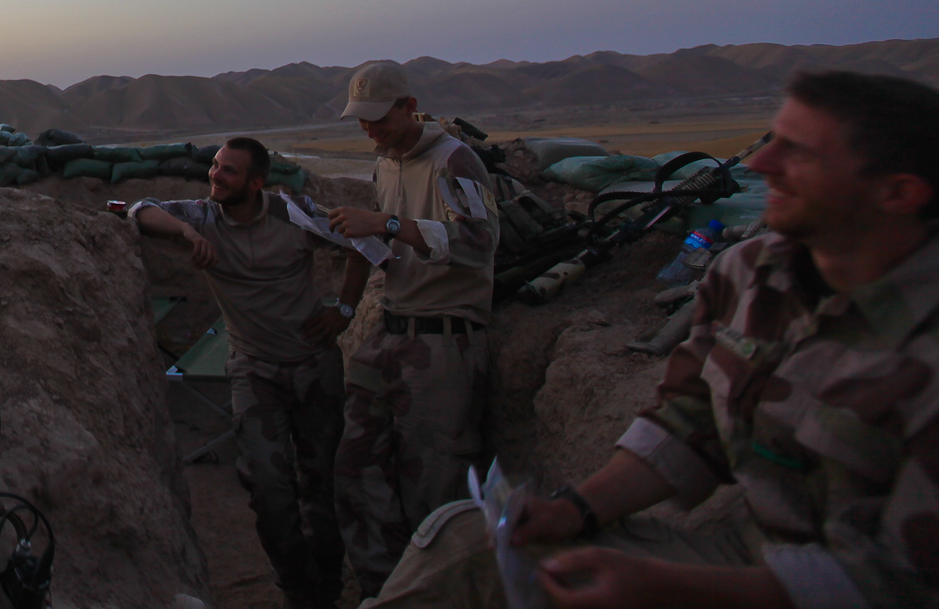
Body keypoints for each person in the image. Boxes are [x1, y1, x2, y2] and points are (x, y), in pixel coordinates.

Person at [364, 69, 939, 609]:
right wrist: (577, 510)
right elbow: (689, 420)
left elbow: (895, 583)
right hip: (742, 548)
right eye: (774, 141)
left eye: (801, 153)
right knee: (468, 538)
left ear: (898, 193)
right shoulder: (753, 274)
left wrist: (666, 587)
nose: (763, 163)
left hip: (830, 586)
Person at [132, 137, 352, 609]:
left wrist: (346, 310)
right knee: (270, 494)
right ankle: (298, 591)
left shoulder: (293, 213)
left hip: (314, 367)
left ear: (255, 184)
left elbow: (360, 242)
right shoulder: (203, 216)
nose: (215, 175)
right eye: (214, 166)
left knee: (324, 488)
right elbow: (139, 209)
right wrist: (185, 234)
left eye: (228, 171)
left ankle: (329, 591)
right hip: (255, 371)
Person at [317, 60, 501, 599]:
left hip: (445, 342)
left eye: (379, 118)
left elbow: (478, 243)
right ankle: (387, 590)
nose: (369, 130)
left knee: (436, 491)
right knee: (355, 473)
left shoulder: (454, 160)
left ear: (408, 106)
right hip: (391, 333)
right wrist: (352, 280)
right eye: (361, 120)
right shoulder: (386, 164)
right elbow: (382, 244)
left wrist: (389, 224)